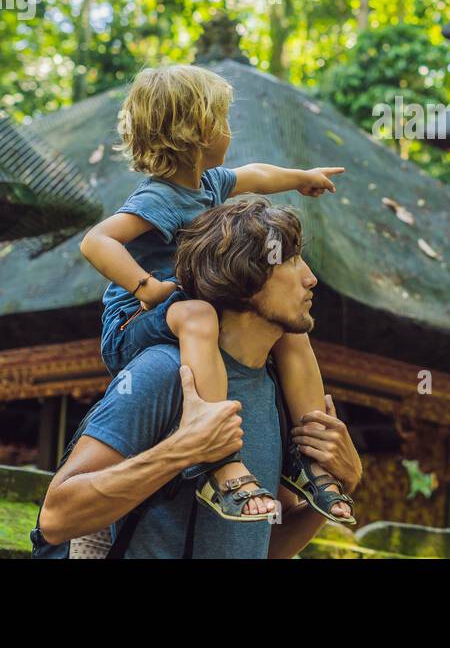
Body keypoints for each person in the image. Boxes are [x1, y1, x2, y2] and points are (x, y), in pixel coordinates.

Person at [79, 64, 352, 523]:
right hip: (134, 321)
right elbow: (96, 240)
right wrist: (145, 286)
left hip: (183, 306)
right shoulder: (159, 198)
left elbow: (257, 174)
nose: (229, 130)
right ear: (199, 131)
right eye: (223, 120)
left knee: (290, 333)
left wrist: (300, 177)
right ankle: (218, 456)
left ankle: (310, 454)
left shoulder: (209, 183)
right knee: (199, 315)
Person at [39, 199, 361, 558]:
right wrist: (181, 451)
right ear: (244, 276)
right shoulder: (166, 373)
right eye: (290, 259)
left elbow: (263, 547)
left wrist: (342, 482)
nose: (311, 278)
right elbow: (56, 518)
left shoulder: (278, 392)